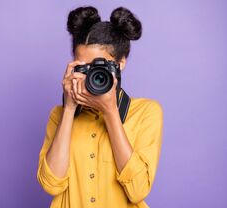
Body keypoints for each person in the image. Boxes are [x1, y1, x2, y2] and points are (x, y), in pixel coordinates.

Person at [37, 6, 163, 208]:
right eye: (83, 67)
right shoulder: (59, 114)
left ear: (121, 63)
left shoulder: (146, 112)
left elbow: (138, 190)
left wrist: (110, 111)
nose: (90, 76)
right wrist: (69, 108)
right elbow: (51, 185)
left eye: (99, 67)